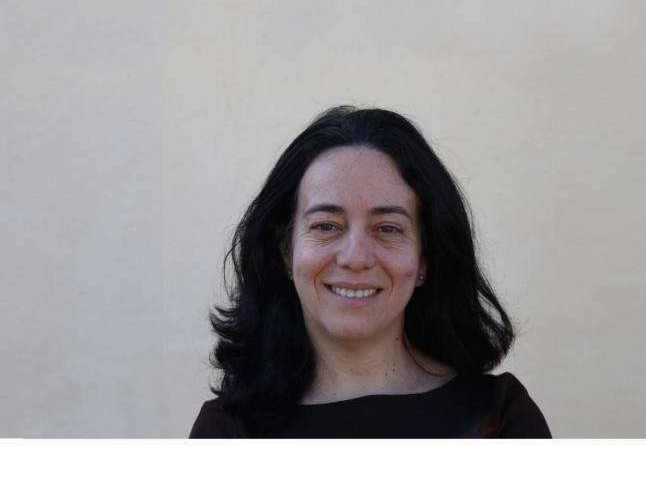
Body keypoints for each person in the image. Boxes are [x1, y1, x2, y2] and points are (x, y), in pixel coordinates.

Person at [190, 105, 551, 438]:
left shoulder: (499, 418)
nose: (355, 257)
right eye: (326, 226)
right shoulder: (227, 432)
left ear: (425, 258)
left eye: (388, 229)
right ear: (286, 250)